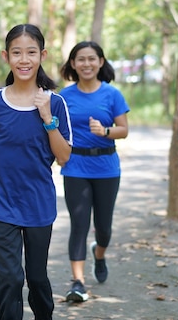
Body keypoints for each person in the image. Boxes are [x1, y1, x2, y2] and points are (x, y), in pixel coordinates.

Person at [0, 23, 72, 320]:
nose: (24, 60)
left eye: (31, 52)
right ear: (6, 57)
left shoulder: (56, 102)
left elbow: (64, 157)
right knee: (10, 278)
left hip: (38, 203)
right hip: (2, 202)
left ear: (43, 55)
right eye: (17, 53)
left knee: (36, 279)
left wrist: (47, 116)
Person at [58, 41, 129, 303]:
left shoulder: (112, 95)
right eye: (80, 59)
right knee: (79, 225)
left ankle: (99, 254)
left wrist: (105, 131)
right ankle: (78, 283)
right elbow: (54, 130)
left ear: (101, 62)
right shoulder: (64, 97)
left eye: (92, 59)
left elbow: (124, 129)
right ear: (73, 64)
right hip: (75, 166)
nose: (86, 64)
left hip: (107, 168)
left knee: (104, 228)